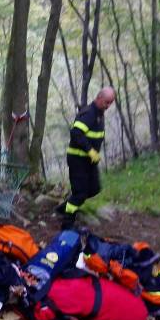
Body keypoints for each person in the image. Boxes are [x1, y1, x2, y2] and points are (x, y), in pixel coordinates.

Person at [57, 87, 114, 229]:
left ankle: (64, 207)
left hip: (89, 162)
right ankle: (67, 223)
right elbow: (76, 133)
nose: (108, 106)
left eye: (110, 103)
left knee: (94, 188)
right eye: (106, 102)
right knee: (80, 193)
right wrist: (90, 151)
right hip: (78, 160)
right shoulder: (89, 113)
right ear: (99, 97)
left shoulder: (99, 113)